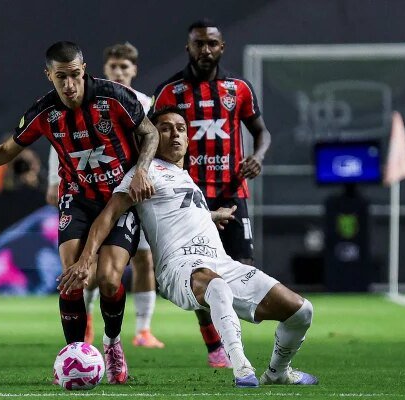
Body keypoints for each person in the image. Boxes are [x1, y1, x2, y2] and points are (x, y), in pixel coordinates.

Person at [0, 41, 159, 385]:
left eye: (74, 75)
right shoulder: (44, 112)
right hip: (77, 199)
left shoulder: (114, 97)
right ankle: (74, 356)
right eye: (60, 77)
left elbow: (150, 133)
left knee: (109, 279)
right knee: (73, 278)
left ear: (83, 70)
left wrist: (142, 170)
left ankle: (112, 343)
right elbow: (6, 150)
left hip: (119, 197)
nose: (69, 85)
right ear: (49, 75)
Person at [58, 107, 318, 387]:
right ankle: (242, 368)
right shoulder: (143, 173)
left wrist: (210, 215)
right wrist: (86, 258)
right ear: (150, 137)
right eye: (165, 128)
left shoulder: (185, 176)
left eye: (181, 129)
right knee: (217, 287)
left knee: (301, 311)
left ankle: (278, 372)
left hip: (221, 263)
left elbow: (176, 211)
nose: (175, 134)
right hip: (178, 268)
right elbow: (109, 215)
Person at [149, 19, 272, 367]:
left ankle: (231, 338)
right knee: (200, 271)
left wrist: (258, 157)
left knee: (242, 266)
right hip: (190, 196)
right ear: (188, 47)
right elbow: (151, 137)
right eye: (199, 44)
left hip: (232, 192)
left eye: (212, 44)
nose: (205, 50)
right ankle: (216, 344)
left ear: (222, 47)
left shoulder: (238, 88)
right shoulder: (169, 92)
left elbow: (261, 132)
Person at [46, 42, 163, 349]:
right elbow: (62, 141)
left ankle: (143, 329)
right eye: (114, 67)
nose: (119, 72)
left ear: (134, 70)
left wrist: (148, 175)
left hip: (130, 193)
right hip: (88, 189)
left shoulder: (143, 102)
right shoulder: (85, 98)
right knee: (90, 261)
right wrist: (52, 181)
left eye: (125, 67)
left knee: (143, 259)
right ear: (104, 69)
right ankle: (86, 322)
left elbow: (153, 140)